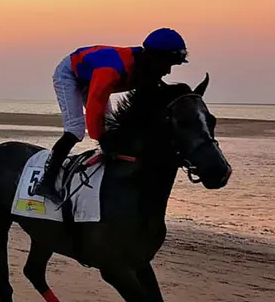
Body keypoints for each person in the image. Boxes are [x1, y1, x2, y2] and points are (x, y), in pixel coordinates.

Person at [34, 28, 189, 202]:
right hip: (70, 74)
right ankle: (46, 182)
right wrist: (101, 138)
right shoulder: (110, 71)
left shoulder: (147, 68)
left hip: (92, 76)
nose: (168, 71)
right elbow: (95, 105)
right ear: (155, 58)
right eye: (167, 64)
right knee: (75, 130)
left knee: (110, 127)